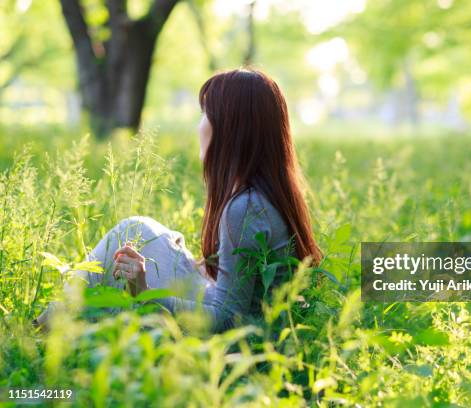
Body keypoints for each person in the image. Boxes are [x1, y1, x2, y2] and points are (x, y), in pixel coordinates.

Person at [35, 68, 322, 333]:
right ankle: (55, 324)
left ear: (230, 129)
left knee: (127, 236)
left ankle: (44, 330)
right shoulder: (263, 194)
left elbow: (227, 317)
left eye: (206, 114)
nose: (200, 126)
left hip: (240, 347)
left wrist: (146, 293)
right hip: (248, 319)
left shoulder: (244, 209)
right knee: (142, 231)